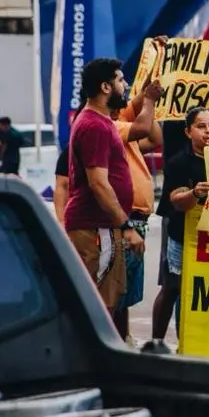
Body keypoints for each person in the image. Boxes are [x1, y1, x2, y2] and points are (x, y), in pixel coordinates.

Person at [63, 58, 144, 315]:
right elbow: (98, 183)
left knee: (107, 299)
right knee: (99, 306)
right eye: (120, 80)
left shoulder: (99, 120)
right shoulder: (94, 125)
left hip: (102, 227)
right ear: (105, 87)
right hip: (97, 228)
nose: (125, 85)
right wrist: (126, 226)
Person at [150, 106, 209, 344]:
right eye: (201, 126)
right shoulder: (179, 162)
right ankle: (157, 343)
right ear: (188, 132)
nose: (208, 131)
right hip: (182, 235)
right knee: (174, 287)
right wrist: (194, 194)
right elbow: (175, 200)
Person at [111, 80, 163, 344]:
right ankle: (116, 340)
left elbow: (154, 138)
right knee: (116, 289)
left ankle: (123, 337)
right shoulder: (111, 126)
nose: (126, 86)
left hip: (137, 219)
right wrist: (149, 100)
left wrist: (146, 97)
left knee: (125, 291)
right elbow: (143, 127)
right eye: (120, 81)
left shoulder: (124, 130)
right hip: (125, 219)